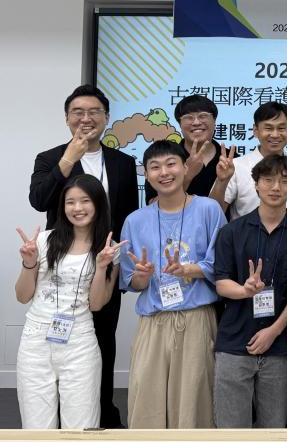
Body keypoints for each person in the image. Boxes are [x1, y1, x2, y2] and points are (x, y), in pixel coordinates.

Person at [28, 84, 138, 428]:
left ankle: (101, 415)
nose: (86, 118)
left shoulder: (123, 163)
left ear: (106, 118)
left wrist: (118, 267)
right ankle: (54, 418)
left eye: (94, 112)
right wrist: (68, 159)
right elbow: (39, 200)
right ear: (67, 118)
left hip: (104, 265)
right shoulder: (50, 158)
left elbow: (127, 218)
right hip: (63, 266)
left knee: (102, 343)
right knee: (57, 346)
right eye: (78, 112)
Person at [119, 140, 227, 428]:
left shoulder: (208, 210)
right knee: (146, 402)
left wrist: (189, 269)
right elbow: (132, 281)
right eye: (155, 167)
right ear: (146, 175)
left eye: (171, 164)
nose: (164, 172)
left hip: (196, 319)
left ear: (185, 167)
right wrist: (142, 275)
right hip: (153, 322)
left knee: (194, 402)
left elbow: (223, 264)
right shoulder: (134, 221)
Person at [16, 175, 125, 429]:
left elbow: (96, 304)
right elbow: (22, 296)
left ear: (98, 203)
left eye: (85, 201)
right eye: (70, 202)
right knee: (36, 428)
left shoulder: (110, 248)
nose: (77, 208)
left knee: (81, 427)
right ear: (62, 207)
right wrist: (29, 263)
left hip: (80, 342)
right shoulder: (44, 241)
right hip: (35, 340)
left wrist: (101, 267)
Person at [212, 154, 287, 428]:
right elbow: (221, 283)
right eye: (268, 180)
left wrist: (274, 331)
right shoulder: (232, 231)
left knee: (273, 428)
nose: (276, 187)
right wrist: (244, 291)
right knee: (231, 430)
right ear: (255, 184)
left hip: (279, 346)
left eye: (284, 181)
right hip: (234, 343)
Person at [210, 101, 287, 221]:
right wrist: (221, 181)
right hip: (245, 232)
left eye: (281, 128)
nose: (275, 134)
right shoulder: (236, 166)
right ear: (255, 130)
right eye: (268, 128)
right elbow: (213, 212)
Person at [145, 93, 236, 204]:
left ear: (214, 120)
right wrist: (187, 175)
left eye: (203, 116)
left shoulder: (233, 160)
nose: (196, 122)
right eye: (189, 117)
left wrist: (222, 181)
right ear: (179, 124)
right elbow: (153, 206)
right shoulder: (162, 158)